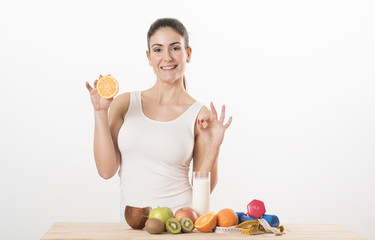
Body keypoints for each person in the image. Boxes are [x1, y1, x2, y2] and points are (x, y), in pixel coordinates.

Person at [85, 18, 232, 221]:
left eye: (175, 48)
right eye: (158, 49)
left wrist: (213, 148)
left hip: (180, 226)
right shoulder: (124, 104)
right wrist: (100, 112)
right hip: (133, 229)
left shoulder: (200, 116)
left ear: (188, 54)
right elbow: (106, 170)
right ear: (148, 56)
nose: (167, 57)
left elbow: (202, 196)